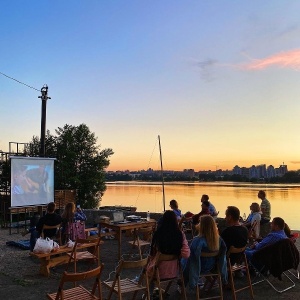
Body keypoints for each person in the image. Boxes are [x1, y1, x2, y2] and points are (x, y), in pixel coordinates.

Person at [183, 215, 227, 291]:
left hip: (198, 267)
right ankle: (212, 282)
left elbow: (192, 258)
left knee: (183, 260)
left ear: (202, 226)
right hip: (211, 266)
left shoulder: (198, 240)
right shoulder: (218, 239)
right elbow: (223, 255)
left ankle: (183, 283)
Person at [148, 210, 190, 280]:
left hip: (158, 272)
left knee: (148, 267)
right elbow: (186, 254)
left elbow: (152, 253)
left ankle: (149, 289)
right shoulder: (180, 234)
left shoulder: (158, 233)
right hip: (174, 272)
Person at [221, 206, 248, 277]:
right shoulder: (245, 230)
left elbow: (220, 247)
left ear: (230, 217)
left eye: (226, 216)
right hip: (238, 259)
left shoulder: (227, 231)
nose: (225, 218)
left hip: (227, 261)